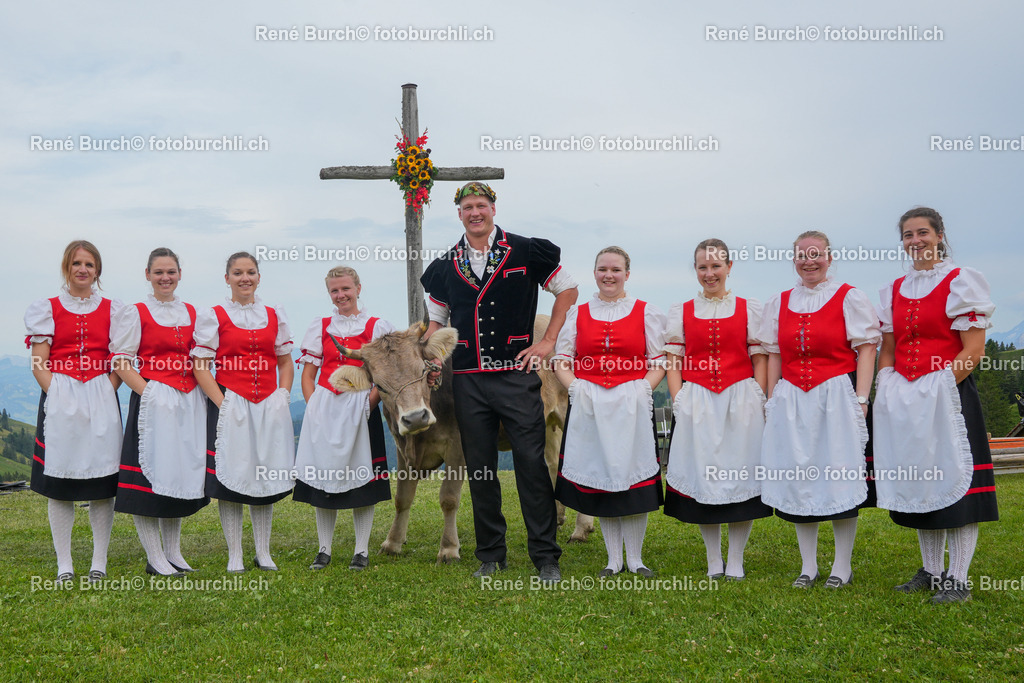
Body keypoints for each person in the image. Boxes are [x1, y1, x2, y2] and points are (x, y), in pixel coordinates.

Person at [420, 182, 578, 583]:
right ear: (459, 214)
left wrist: (546, 341)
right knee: (482, 469)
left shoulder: (526, 250)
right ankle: (491, 555)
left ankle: (545, 556)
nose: (475, 212)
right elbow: (437, 322)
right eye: (467, 207)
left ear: (493, 208)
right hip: (468, 380)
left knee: (530, 462)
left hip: (516, 374)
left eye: (481, 205)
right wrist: (432, 357)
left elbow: (568, 290)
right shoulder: (443, 266)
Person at [874, 207, 998, 603]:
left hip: (949, 396)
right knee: (920, 480)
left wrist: (938, 386)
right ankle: (930, 570)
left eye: (923, 233)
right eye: (908, 235)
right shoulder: (894, 288)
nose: (916, 241)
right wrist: (889, 383)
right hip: (907, 398)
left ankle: (957, 579)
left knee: (955, 482)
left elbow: (973, 349)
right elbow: (889, 349)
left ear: (940, 235)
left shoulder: (961, 281)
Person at [758, 230, 879, 589]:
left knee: (839, 476)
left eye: (816, 254)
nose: (809, 261)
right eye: (802, 255)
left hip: (835, 395)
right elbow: (774, 354)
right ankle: (808, 566)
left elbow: (867, 348)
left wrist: (861, 398)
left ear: (829, 257)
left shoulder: (848, 297)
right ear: (794, 260)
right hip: (792, 397)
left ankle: (842, 566)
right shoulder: (778, 302)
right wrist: (771, 398)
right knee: (799, 477)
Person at [553, 246, 666, 577]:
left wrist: (644, 389)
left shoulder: (646, 312)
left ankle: (636, 559)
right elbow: (563, 358)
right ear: (595, 273)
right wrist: (575, 387)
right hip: (591, 406)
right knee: (602, 479)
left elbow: (658, 360)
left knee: (634, 482)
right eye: (603, 269)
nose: (609, 275)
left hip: (631, 405)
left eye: (616, 270)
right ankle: (613, 560)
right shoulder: (579, 313)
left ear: (627, 274)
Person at [663, 239, 772, 580]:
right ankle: (714, 560)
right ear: (695, 270)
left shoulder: (748, 307)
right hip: (698, 399)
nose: (709, 273)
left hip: (741, 397)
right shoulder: (681, 311)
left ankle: (736, 559)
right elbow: (673, 359)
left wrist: (760, 394)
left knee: (740, 474)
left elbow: (760, 356)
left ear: (729, 267)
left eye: (715, 266)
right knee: (703, 474)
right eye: (702, 267)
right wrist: (678, 398)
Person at [25, 240, 124, 584]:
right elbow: (39, 362)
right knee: (59, 482)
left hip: (100, 395)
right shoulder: (48, 308)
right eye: (77, 263)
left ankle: (100, 560)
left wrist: (107, 388)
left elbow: (120, 358)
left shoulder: (113, 310)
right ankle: (64, 563)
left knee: (102, 481)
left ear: (98, 270)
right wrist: (58, 393)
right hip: (60, 397)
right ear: (67, 267)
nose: (83, 269)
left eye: (89, 264)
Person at [192, 251, 294, 572]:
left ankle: (263, 552)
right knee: (232, 475)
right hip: (231, 403)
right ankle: (234, 552)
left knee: (263, 476)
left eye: (250, 272)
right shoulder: (215, 315)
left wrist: (283, 394)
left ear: (259, 277)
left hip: (266, 405)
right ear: (227, 278)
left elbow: (285, 360)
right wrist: (221, 404)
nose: (244, 278)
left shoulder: (274, 314)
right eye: (237, 273)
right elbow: (200, 365)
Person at [110, 247, 208, 577]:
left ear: (180, 274)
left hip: (188, 402)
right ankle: (154, 556)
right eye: (158, 272)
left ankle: (174, 553)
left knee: (177, 473)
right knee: (149, 476)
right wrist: (149, 391)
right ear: (148, 275)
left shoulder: (193, 312)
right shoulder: (135, 312)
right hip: (153, 401)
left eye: (171, 272)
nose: (165, 278)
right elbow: (121, 361)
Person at [293, 266, 395, 571]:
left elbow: (385, 374)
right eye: (335, 291)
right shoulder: (321, 325)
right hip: (325, 411)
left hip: (361, 409)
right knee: (324, 480)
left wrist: (369, 405)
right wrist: (313, 408)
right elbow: (308, 375)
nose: (341, 296)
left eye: (346, 289)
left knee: (362, 481)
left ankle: (360, 550)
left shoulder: (377, 326)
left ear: (359, 288)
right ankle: (324, 549)